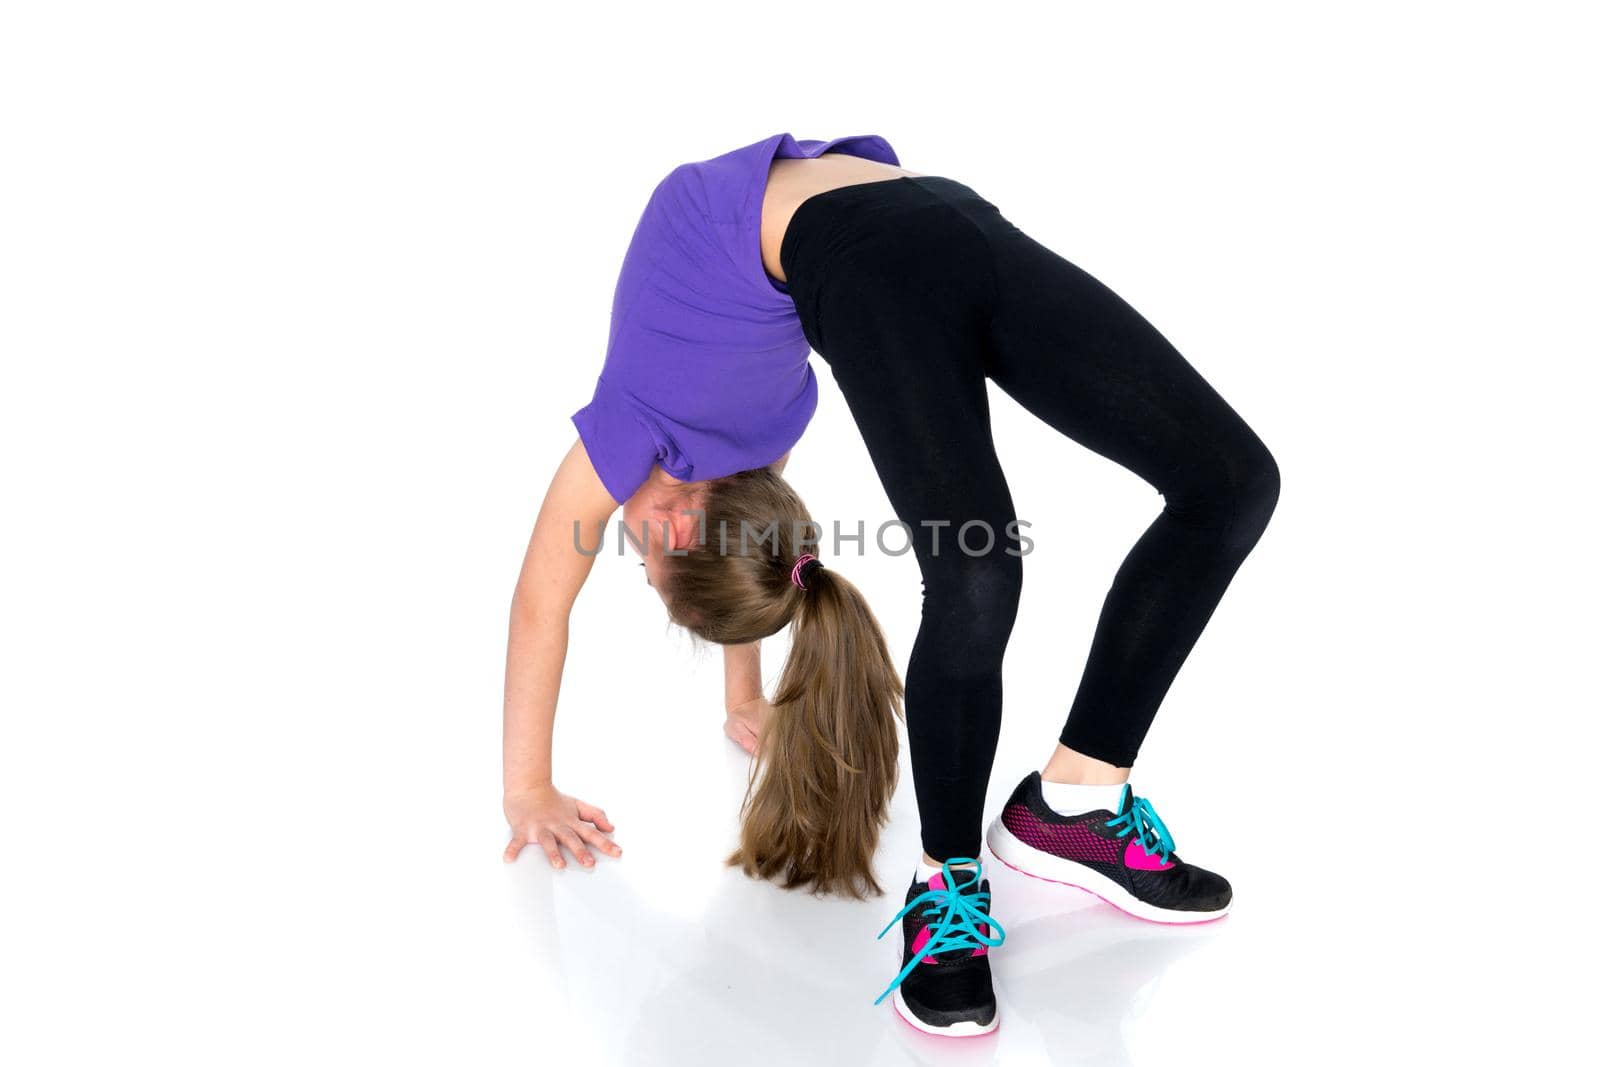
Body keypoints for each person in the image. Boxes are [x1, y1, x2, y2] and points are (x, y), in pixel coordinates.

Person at [501, 132, 1280, 1037]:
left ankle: (1064, 810)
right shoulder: (757, 442)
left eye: (636, 557)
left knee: (1229, 485)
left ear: (679, 527)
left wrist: (528, 789)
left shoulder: (629, 427)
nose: (626, 545)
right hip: (923, 217)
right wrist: (743, 694)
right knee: (984, 564)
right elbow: (734, 546)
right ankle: (1010, 841)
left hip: (916, 226)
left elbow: (538, 605)